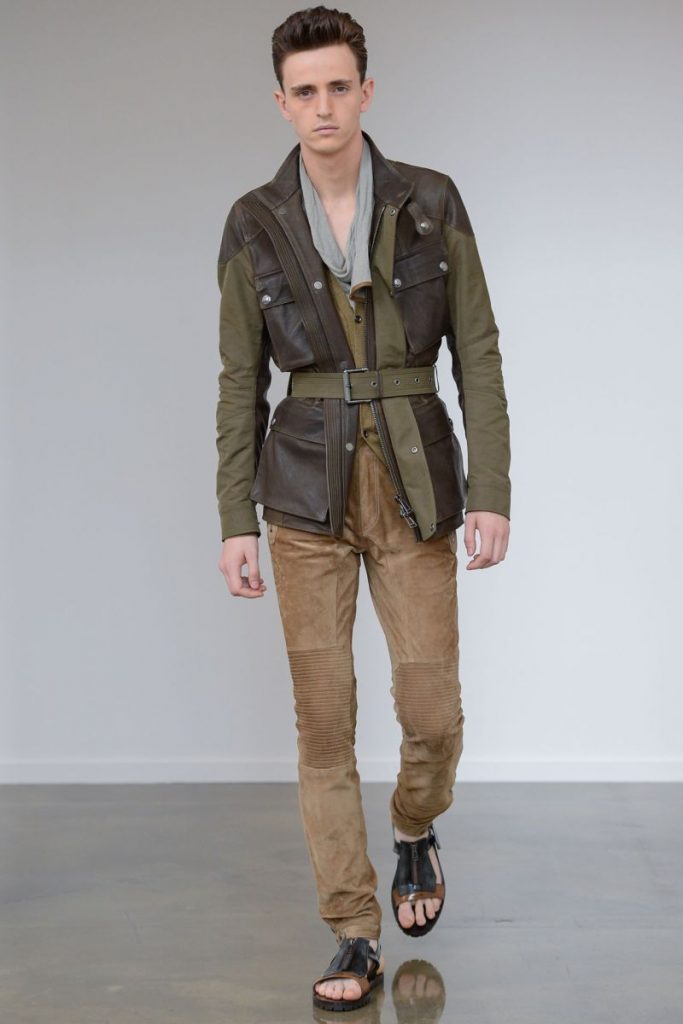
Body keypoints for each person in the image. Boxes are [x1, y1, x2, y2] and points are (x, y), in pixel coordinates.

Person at [215, 5, 511, 1012]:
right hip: (301, 493)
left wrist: (491, 491)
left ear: (366, 91)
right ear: (281, 102)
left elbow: (476, 353)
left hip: (417, 485)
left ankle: (414, 824)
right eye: (305, 91)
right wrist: (234, 517)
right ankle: (352, 928)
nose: (324, 107)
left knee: (432, 711)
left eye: (339, 86)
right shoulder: (252, 221)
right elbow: (238, 380)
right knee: (323, 720)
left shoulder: (431, 201)